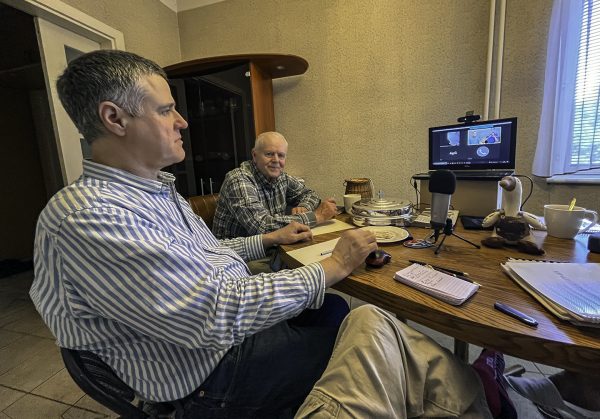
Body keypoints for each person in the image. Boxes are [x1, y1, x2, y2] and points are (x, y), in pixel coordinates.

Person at [29, 49, 375, 417]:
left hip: (223, 338)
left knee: (333, 308)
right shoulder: (90, 218)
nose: (182, 122)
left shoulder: (157, 191)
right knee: (364, 338)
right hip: (207, 378)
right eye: (165, 110)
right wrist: (333, 267)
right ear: (114, 118)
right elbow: (214, 314)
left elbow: (208, 250)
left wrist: (269, 240)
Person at [212, 131, 338, 239]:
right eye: (269, 154)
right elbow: (262, 227)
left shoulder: (282, 177)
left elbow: (310, 194)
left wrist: (304, 206)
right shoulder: (239, 179)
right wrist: (318, 216)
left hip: (272, 248)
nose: (276, 160)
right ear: (255, 155)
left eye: (281, 155)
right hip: (235, 258)